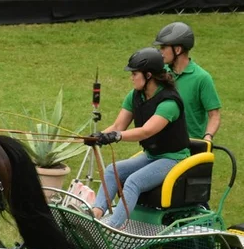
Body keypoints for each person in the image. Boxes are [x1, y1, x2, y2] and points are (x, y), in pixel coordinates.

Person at [86, 48, 191, 228]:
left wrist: (115, 136)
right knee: (112, 170)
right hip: (152, 155)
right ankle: (95, 214)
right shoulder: (135, 95)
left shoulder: (169, 103)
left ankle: (114, 228)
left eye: (134, 74)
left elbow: (146, 132)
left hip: (173, 159)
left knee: (133, 182)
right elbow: (119, 126)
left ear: (148, 75)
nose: (131, 77)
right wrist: (100, 136)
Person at [154, 22, 221, 142]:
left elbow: (214, 115)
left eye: (164, 47)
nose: (160, 52)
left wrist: (208, 136)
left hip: (191, 146)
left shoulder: (202, 78)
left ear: (178, 49)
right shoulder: (161, 75)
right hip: (163, 145)